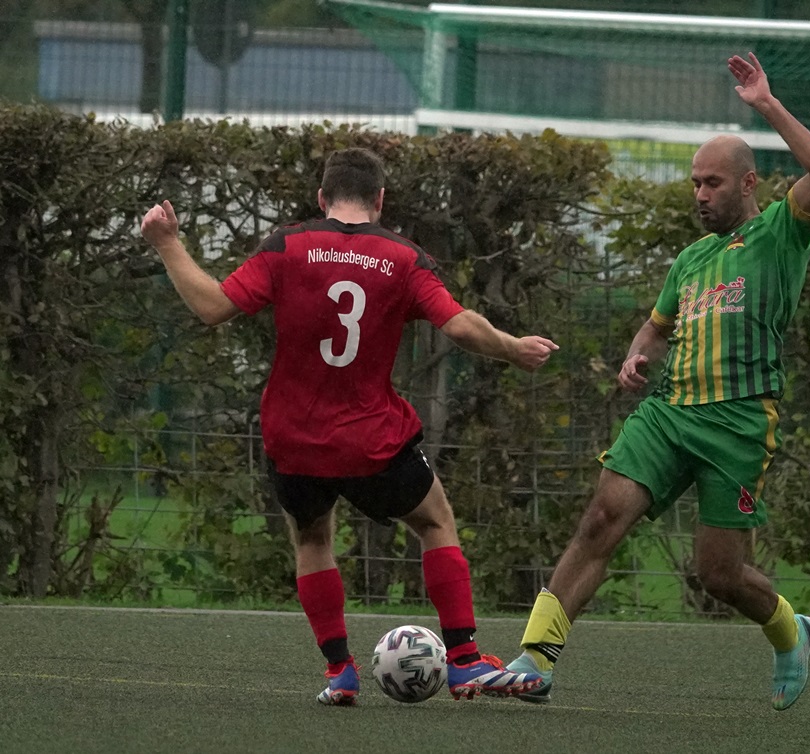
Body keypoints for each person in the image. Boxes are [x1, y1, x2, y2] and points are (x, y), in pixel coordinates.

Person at [140, 147, 557, 705]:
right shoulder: (403, 258)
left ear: (322, 197)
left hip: (294, 439)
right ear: (380, 199)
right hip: (371, 439)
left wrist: (167, 243)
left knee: (312, 538)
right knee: (435, 521)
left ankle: (340, 672)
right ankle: (463, 661)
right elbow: (459, 326)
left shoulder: (287, 245)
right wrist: (512, 348)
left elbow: (213, 307)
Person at [506, 52, 810, 710]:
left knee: (718, 574)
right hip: (669, 413)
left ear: (748, 184)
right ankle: (535, 659)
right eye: (695, 183)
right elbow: (656, 328)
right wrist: (638, 355)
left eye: (713, 183)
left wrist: (765, 104)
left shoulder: (780, 234)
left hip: (738, 423)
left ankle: (789, 631)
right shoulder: (690, 260)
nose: (700, 194)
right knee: (600, 518)